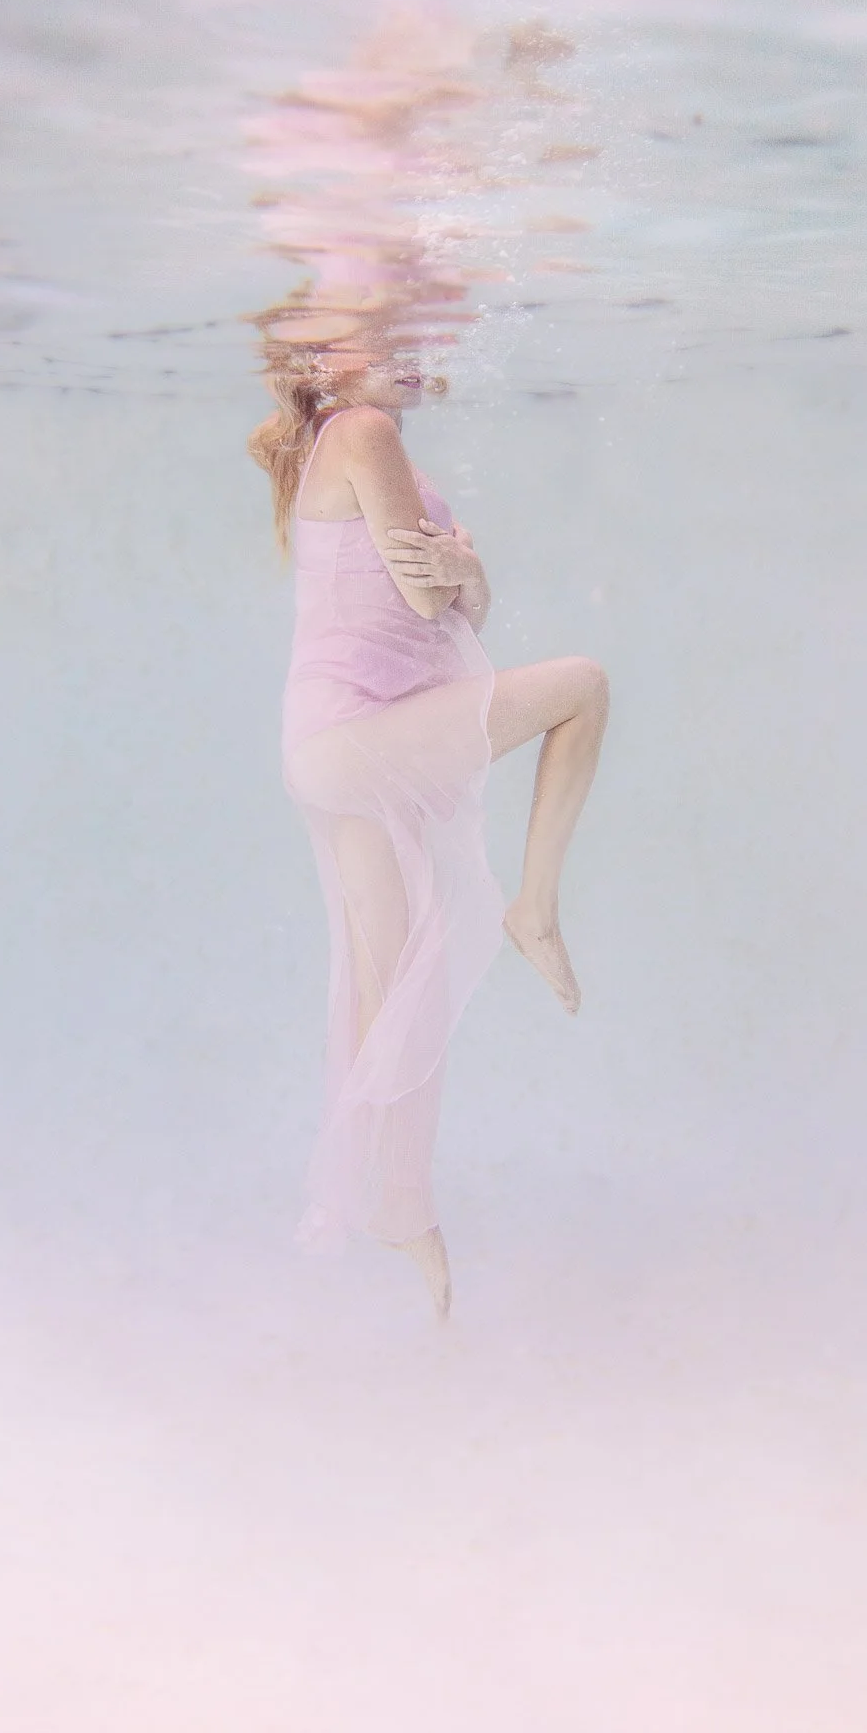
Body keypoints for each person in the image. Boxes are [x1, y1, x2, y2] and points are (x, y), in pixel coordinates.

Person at [249, 351, 609, 1319]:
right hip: (353, 737)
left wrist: (467, 571)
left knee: (388, 985)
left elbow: (465, 606)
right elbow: (425, 599)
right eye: (382, 334)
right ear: (324, 357)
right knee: (581, 684)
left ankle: (395, 1206)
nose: (414, 350)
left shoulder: (366, 442)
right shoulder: (360, 432)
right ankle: (532, 904)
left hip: (336, 747)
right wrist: (458, 567)